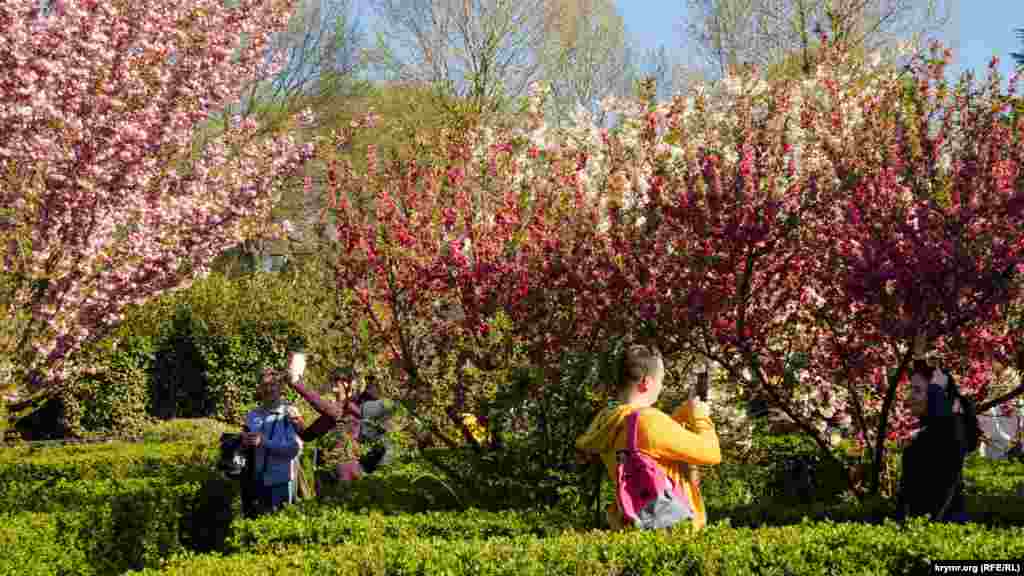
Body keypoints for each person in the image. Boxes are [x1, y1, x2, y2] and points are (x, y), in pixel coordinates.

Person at [575, 345, 721, 530]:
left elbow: (646, 443)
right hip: (671, 526)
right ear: (646, 382)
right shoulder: (649, 421)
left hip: (633, 520)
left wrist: (684, 412)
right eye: (661, 380)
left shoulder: (607, 418)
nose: (661, 386)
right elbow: (712, 454)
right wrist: (700, 416)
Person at [896, 360, 969, 523]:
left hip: (938, 535)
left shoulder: (949, 434)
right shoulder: (929, 431)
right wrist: (919, 359)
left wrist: (937, 389)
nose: (909, 397)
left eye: (917, 390)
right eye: (910, 389)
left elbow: (939, 499)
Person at [240, 367, 303, 518]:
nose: (268, 389)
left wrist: (264, 442)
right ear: (259, 388)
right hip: (256, 482)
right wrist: (243, 442)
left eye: (272, 385)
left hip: (281, 484)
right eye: (264, 385)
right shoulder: (252, 415)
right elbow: (246, 448)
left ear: (280, 387)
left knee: (280, 526)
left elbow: (294, 449)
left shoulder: (290, 413)